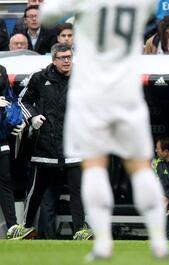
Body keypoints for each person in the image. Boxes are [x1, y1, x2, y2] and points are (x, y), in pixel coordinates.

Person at [40, 0, 169, 260]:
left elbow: (46, 16)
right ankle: (159, 240)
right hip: (127, 95)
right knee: (141, 168)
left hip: (91, 96)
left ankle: (103, 244)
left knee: (94, 167)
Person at [7, 43, 90, 241]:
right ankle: (25, 227)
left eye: (69, 57)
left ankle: (81, 229)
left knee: (77, 188)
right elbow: (22, 101)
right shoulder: (39, 77)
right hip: (45, 143)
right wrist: (32, 117)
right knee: (37, 190)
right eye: (62, 57)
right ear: (54, 60)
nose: (67, 61)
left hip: (73, 143)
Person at [0, 65, 26, 238]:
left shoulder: (1, 69)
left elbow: (11, 98)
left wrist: (20, 119)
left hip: (1, 139)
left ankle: (12, 227)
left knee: (5, 182)